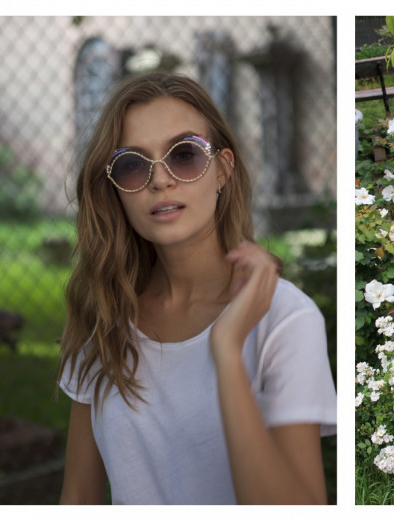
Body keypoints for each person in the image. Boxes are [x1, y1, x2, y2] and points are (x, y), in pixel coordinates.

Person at [57, 72, 336, 505]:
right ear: (115, 189)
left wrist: (227, 352)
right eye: (133, 164)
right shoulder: (105, 313)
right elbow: (78, 498)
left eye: (184, 155)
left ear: (223, 169)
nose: (160, 179)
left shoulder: (285, 320)